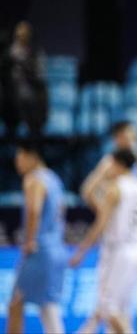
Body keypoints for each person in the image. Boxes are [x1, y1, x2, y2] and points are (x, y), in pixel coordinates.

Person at [70, 148, 137, 334]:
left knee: (108, 307)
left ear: (117, 164)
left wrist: (81, 251)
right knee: (123, 309)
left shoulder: (115, 188)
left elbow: (100, 223)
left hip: (119, 251)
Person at [7, 140, 67, 334]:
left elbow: (34, 209)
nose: (17, 163)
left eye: (19, 157)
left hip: (40, 249)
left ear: (31, 156)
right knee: (46, 305)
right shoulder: (54, 179)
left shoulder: (33, 180)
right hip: (57, 247)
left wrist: (29, 240)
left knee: (18, 302)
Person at [0, 21, 48, 137]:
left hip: (32, 96)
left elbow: (40, 75)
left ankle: (33, 135)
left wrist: (27, 68)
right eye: (20, 35)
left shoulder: (35, 53)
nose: (23, 38)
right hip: (12, 96)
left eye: (25, 35)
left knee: (34, 122)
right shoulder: (8, 54)